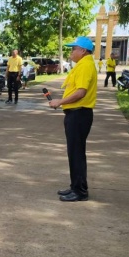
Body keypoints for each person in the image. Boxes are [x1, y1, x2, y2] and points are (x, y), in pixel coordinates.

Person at [48, 36, 97, 202]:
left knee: (76, 153)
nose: (71, 52)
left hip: (79, 114)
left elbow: (81, 92)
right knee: (75, 152)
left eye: (73, 49)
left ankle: (80, 191)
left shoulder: (85, 65)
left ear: (83, 50)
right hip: (76, 114)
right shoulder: (83, 64)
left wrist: (59, 102)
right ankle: (75, 186)